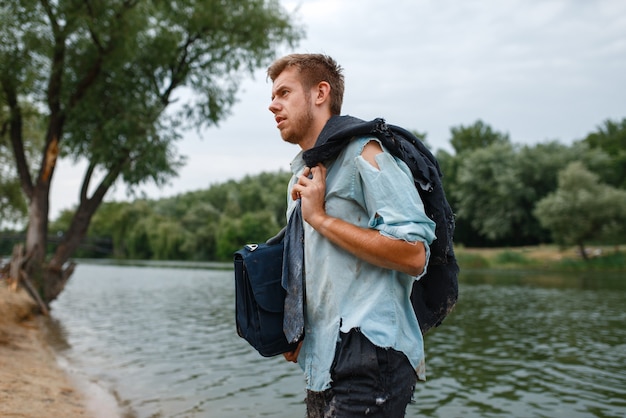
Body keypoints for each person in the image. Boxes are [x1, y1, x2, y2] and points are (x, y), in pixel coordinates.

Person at [267, 53, 437, 418]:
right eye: (272, 96)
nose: (272, 105)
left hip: (370, 355)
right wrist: (295, 325)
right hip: (321, 358)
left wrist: (321, 219)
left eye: (283, 93)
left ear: (320, 93)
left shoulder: (366, 152)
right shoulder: (303, 174)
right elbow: (318, 268)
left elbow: (413, 254)